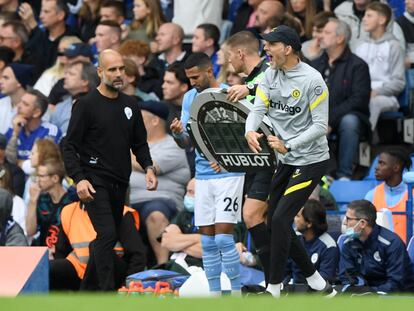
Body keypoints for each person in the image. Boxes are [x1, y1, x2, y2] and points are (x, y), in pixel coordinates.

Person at [245, 25, 335, 297]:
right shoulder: (269, 74)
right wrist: (249, 129)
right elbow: (258, 108)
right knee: (273, 220)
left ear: (287, 48)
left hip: (311, 160)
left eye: (271, 45)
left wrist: (289, 144)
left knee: (282, 219)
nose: (266, 50)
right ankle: (318, 283)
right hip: (285, 159)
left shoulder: (313, 80)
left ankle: (273, 288)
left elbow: (321, 126)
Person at [63, 49, 158, 291]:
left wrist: (148, 167)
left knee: (104, 239)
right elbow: (69, 146)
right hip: (94, 181)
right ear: (100, 72)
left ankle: (86, 293)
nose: (118, 74)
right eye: (112, 69)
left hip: (120, 182)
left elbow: (139, 143)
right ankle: (106, 294)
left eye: (121, 69)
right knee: (106, 234)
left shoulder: (130, 105)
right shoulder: (86, 105)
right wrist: (79, 179)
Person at [170, 52, 245, 296]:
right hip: (202, 176)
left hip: (229, 175)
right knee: (208, 243)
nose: (192, 82)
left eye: (195, 77)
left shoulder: (230, 94)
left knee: (224, 239)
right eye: (188, 78)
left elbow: (247, 134)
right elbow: (187, 143)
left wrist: (226, 159)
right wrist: (178, 133)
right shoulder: (189, 98)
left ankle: (234, 293)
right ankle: (214, 295)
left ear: (209, 70)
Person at [224, 30, 272, 281]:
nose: (228, 62)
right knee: (263, 217)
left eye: (229, 56)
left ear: (240, 53)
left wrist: (249, 89)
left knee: (252, 214)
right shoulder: (254, 78)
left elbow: (273, 92)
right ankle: (277, 278)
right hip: (254, 158)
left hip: (271, 155)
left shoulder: (267, 74)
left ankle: (275, 276)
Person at [129, 100, 190, 265]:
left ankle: (163, 267)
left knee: (156, 213)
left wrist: (120, 152)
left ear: (155, 120)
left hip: (162, 201)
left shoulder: (173, 145)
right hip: (129, 201)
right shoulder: (134, 145)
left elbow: (151, 166)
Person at [311, 18, 371, 180]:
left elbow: (358, 100)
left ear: (340, 38)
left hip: (347, 118)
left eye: (327, 32)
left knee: (349, 122)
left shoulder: (358, 66)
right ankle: (309, 175)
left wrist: (330, 120)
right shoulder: (314, 65)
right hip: (319, 118)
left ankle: (344, 175)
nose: (321, 36)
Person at [49, 201, 147, 291]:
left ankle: (85, 297)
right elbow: (61, 252)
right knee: (49, 269)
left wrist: (127, 286)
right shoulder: (69, 211)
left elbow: (138, 255)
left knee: (97, 246)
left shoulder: (121, 212)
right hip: (79, 269)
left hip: (112, 272)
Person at [339, 200, 414, 293]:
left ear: (362, 223)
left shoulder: (391, 244)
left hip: (396, 297)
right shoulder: (348, 243)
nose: (345, 223)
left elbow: (396, 283)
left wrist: (370, 293)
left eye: (348, 218)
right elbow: (346, 277)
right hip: (366, 296)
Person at [355, 2, 405, 131]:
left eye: (369, 15)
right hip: (361, 94)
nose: (364, 19)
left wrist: (376, 92)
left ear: (382, 20)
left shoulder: (394, 46)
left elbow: (399, 82)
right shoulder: (360, 46)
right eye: (365, 15)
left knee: (373, 103)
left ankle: (364, 137)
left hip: (386, 97)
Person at [284, 199, 339, 287]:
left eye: (298, 216)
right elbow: (286, 271)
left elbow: (324, 279)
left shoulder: (329, 246)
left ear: (309, 223)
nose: (294, 219)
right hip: (294, 290)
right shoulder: (295, 239)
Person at [365, 149, 412, 243]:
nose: (376, 167)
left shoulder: (412, 194)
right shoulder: (371, 195)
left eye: (382, 163)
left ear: (396, 167)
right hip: (379, 254)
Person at [5, 88, 61, 167]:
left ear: (36, 112)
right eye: (20, 102)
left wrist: (18, 162)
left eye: (25, 104)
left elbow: (42, 164)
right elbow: (7, 160)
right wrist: (15, 134)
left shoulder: (50, 131)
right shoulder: (14, 127)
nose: (19, 106)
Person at [26, 158, 74, 248]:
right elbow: (30, 231)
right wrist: (32, 201)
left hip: (64, 254)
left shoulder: (71, 202)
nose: (38, 180)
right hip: (43, 252)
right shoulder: (42, 199)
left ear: (55, 178)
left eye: (41, 176)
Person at [50, 61, 99, 136]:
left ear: (85, 81)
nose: (65, 76)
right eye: (66, 73)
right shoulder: (61, 106)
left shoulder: (98, 105)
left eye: (71, 74)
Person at [0, 63, 33, 134]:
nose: (0, 81)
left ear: (19, 82)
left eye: (6, 78)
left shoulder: (35, 106)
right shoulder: (1, 102)